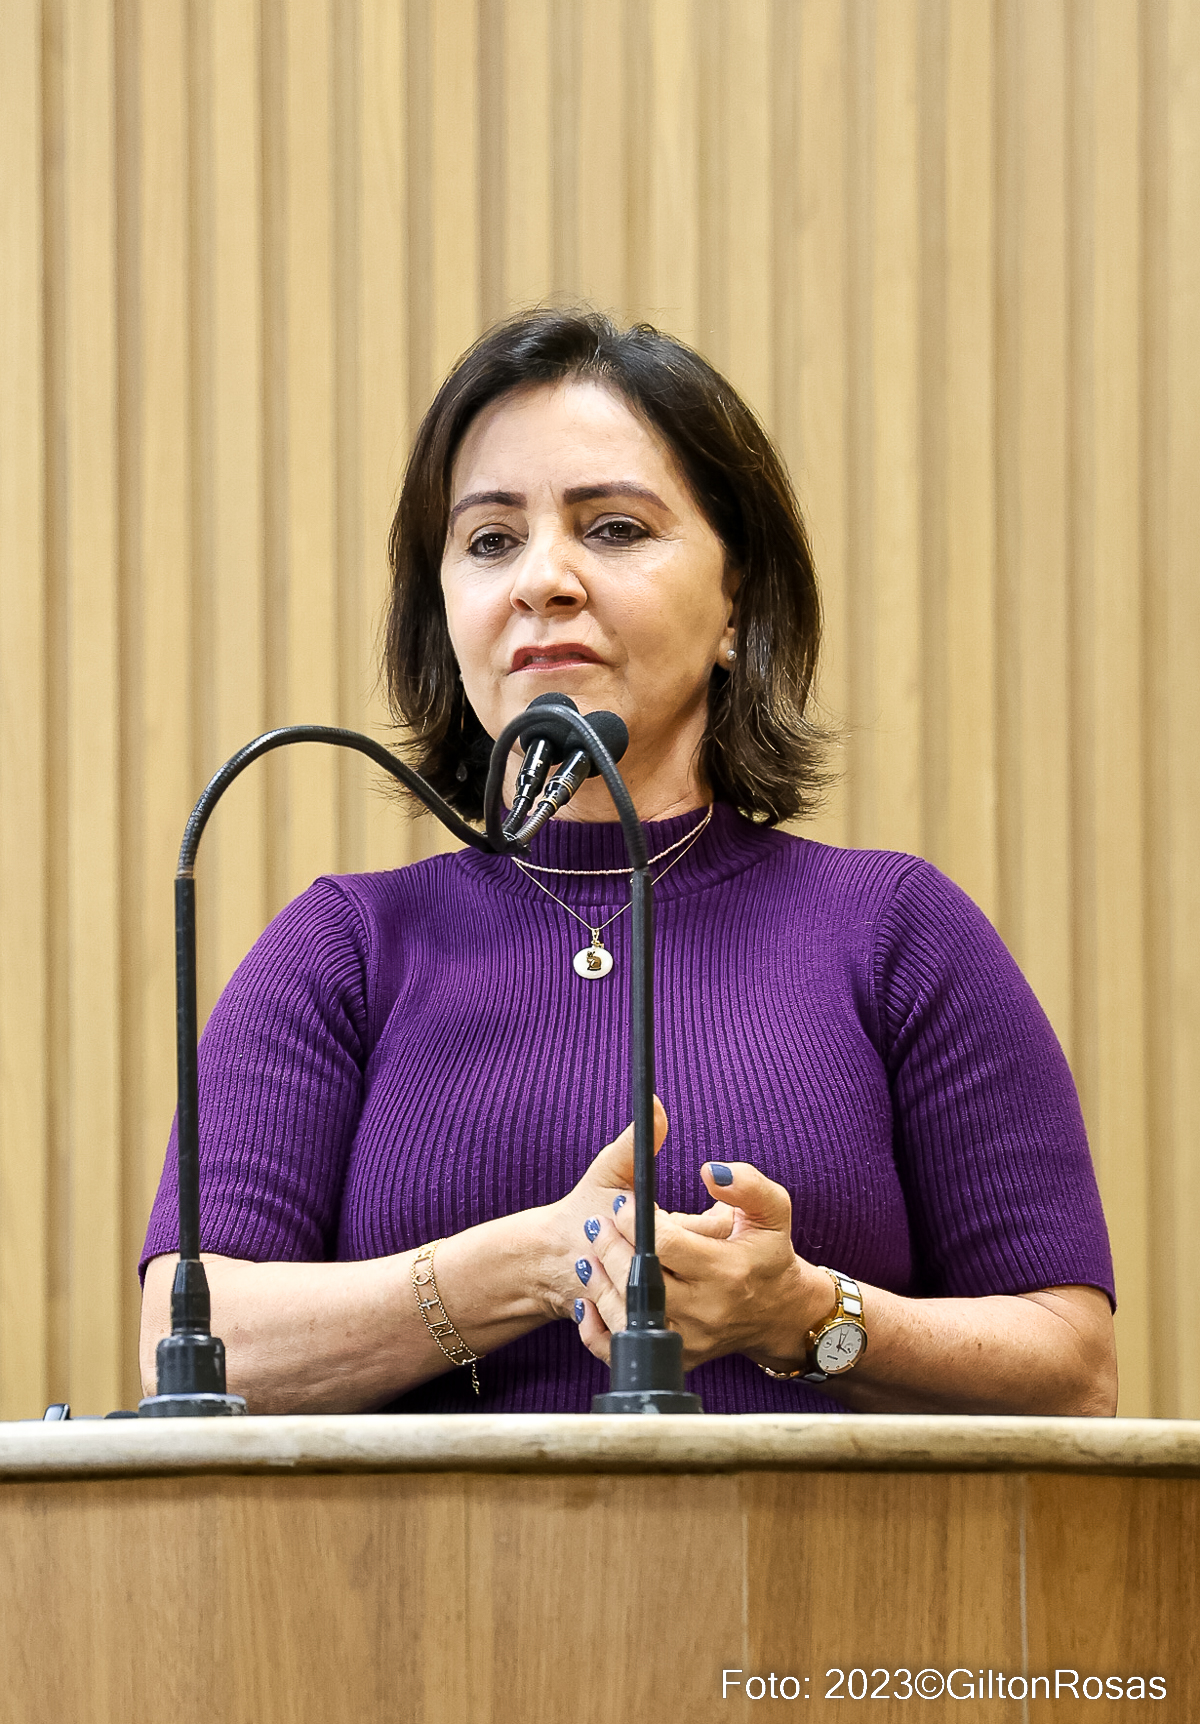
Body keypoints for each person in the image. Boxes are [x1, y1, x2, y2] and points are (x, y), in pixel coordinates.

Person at [140, 311, 1117, 1417]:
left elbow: (1075, 1374)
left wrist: (803, 1314)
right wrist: (522, 1268)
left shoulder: (895, 929)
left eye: (612, 529)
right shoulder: (345, 948)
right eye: (490, 541)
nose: (542, 581)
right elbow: (191, 1347)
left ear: (737, 602)